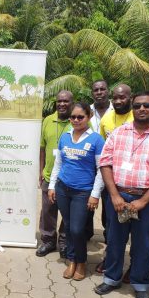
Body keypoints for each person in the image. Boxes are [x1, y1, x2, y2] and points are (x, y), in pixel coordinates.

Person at [95, 91, 149, 298]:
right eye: (138, 105)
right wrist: (113, 195)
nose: (142, 109)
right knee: (114, 241)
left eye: (146, 106)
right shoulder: (119, 133)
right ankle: (111, 278)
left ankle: (140, 284)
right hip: (118, 196)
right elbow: (105, 163)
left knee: (144, 244)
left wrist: (144, 201)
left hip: (146, 200)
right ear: (133, 107)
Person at [48, 102, 105, 281]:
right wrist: (51, 186)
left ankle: (81, 262)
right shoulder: (65, 137)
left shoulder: (96, 139)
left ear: (88, 117)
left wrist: (95, 194)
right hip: (63, 188)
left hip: (83, 192)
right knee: (70, 228)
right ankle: (72, 260)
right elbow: (58, 164)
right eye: (73, 117)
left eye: (80, 117)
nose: (76, 120)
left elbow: (101, 169)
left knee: (78, 229)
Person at [95, 84, 135, 275]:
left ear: (131, 98)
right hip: (111, 181)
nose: (119, 101)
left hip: (135, 184)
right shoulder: (107, 119)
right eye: (116, 98)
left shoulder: (138, 117)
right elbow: (103, 150)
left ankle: (134, 266)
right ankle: (110, 258)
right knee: (110, 224)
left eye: (123, 97)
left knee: (137, 229)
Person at [36, 91, 72, 258]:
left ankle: (64, 242)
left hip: (70, 179)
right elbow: (42, 147)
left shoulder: (77, 120)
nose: (62, 104)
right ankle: (48, 241)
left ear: (72, 103)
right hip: (49, 175)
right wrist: (41, 170)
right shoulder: (48, 120)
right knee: (47, 211)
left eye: (66, 101)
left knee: (67, 212)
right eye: (59, 101)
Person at [89, 80, 113, 246]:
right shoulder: (86, 111)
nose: (99, 92)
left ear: (108, 91)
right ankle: (85, 234)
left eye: (102, 89)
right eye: (96, 90)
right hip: (89, 165)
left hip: (111, 166)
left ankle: (109, 236)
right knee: (86, 200)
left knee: (108, 203)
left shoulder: (117, 110)